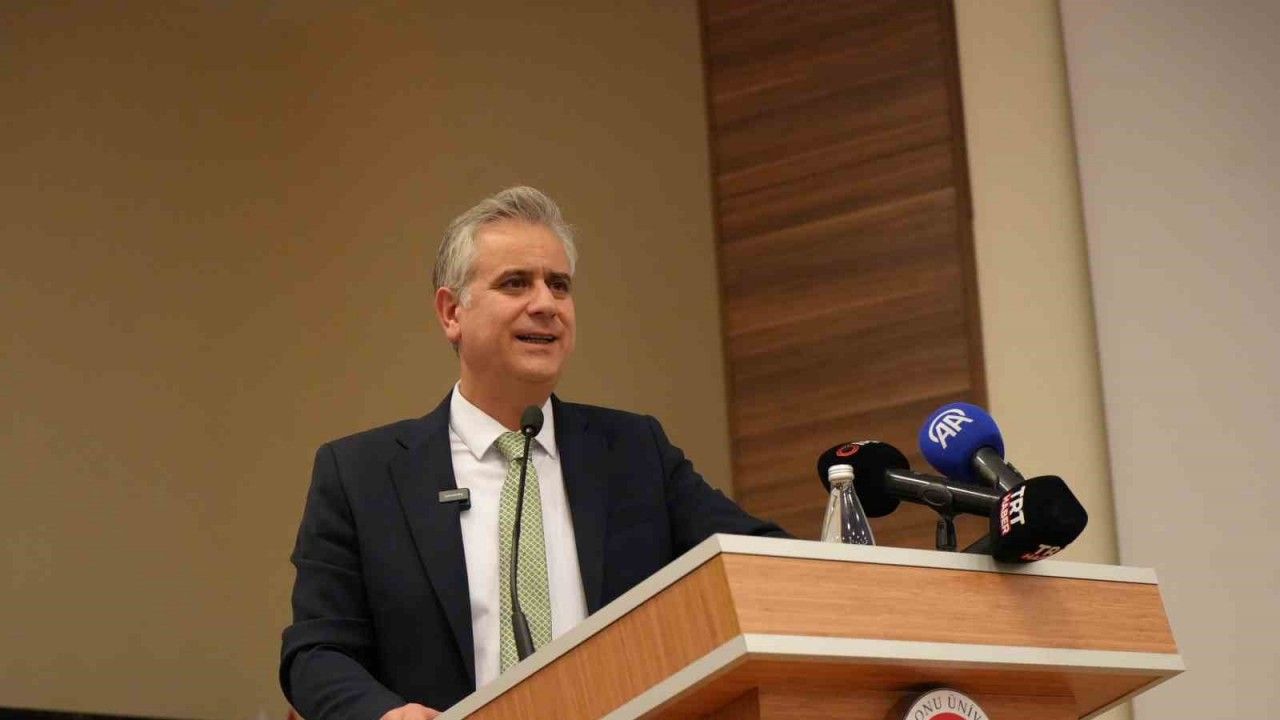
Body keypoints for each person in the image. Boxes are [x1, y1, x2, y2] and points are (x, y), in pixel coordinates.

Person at [280, 186, 788, 720]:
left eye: (559, 285)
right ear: (452, 312)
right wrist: (385, 715)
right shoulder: (361, 476)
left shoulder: (635, 453)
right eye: (515, 283)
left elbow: (763, 564)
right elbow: (317, 652)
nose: (546, 305)